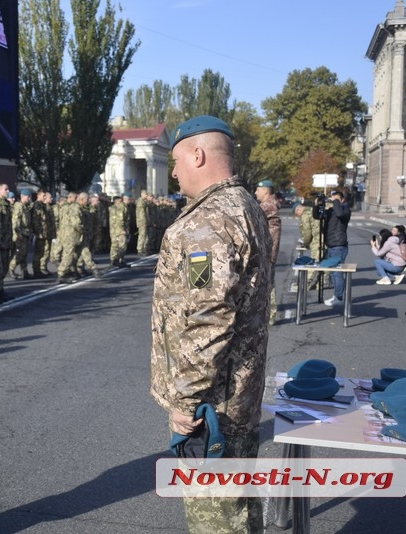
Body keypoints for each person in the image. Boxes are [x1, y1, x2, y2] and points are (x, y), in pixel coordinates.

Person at [150, 116, 271, 533]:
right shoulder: (245, 206)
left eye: (178, 161)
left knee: (216, 517)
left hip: (213, 402)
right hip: (237, 391)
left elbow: (209, 319)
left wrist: (186, 399)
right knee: (237, 506)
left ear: (198, 155)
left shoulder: (207, 221)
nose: (175, 172)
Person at [318, 189, 351, 306]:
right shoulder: (333, 210)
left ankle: (339, 297)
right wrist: (316, 205)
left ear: (342, 199)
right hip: (331, 244)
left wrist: (336, 201)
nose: (333, 200)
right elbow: (318, 216)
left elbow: (340, 214)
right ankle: (337, 296)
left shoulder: (345, 209)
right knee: (333, 272)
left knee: (337, 272)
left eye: (336, 198)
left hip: (339, 245)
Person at [255, 179, 281, 325]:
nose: (255, 193)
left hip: (267, 251)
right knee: (266, 283)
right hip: (268, 250)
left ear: (265, 191)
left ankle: (270, 315)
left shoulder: (267, 206)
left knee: (267, 285)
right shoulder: (271, 204)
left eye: (258, 190)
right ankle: (268, 313)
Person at [8, 189, 33, 280]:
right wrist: (18, 233)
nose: (29, 198)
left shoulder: (25, 206)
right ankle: (11, 268)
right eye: (28, 196)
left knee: (24, 254)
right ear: (22, 197)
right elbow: (15, 221)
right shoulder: (19, 206)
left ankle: (24, 271)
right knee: (19, 254)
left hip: (25, 233)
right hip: (20, 234)